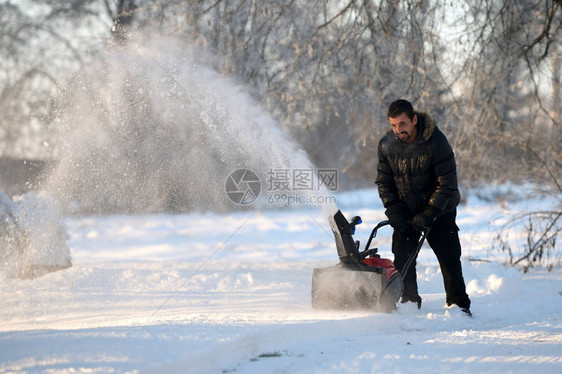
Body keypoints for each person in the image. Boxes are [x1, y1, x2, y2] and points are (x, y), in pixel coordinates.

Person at [375, 99, 472, 316]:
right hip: (405, 210)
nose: (398, 130)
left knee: (449, 258)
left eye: (402, 124)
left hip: (440, 210)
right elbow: (384, 181)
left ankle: (459, 306)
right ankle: (409, 302)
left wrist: (430, 213)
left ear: (414, 120)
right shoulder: (386, 145)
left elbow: (447, 184)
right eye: (393, 125)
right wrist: (393, 209)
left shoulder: (436, 142)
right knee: (402, 258)